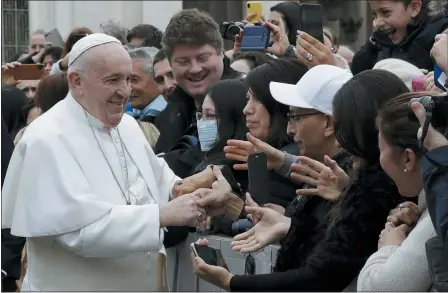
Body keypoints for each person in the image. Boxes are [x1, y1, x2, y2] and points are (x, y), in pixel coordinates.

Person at [0, 33, 223, 291]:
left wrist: (191, 189)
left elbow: (157, 178)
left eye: (128, 79)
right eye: (113, 80)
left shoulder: (127, 125)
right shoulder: (45, 139)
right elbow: (79, 233)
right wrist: (162, 215)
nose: (125, 91)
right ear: (77, 81)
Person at [357, 92, 438, 291]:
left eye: (381, 151)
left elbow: (377, 288)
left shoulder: (438, 214)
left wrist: (389, 248)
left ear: (408, 159)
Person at [154, 8, 242, 155]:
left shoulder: (245, 98)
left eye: (203, 58)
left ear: (221, 51)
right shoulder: (170, 110)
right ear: (170, 64)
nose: (195, 69)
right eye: (183, 62)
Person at [128, 47, 167, 123]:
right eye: (126, 80)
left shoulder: (171, 117)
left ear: (156, 78)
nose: (128, 88)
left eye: (134, 80)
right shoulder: (130, 115)